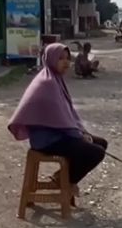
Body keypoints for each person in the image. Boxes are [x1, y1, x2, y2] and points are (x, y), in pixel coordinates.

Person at [8, 43, 108, 197]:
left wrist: (82, 133)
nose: (66, 62)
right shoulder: (47, 83)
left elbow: (66, 116)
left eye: (67, 58)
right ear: (51, 59)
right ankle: (66, 180)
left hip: (58, 134)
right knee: (96, 152)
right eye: (60, 58)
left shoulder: (54, 78)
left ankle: (62, 178)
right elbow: (61, 120)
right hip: (47, 140)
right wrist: (80, 136)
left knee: (101, 143)